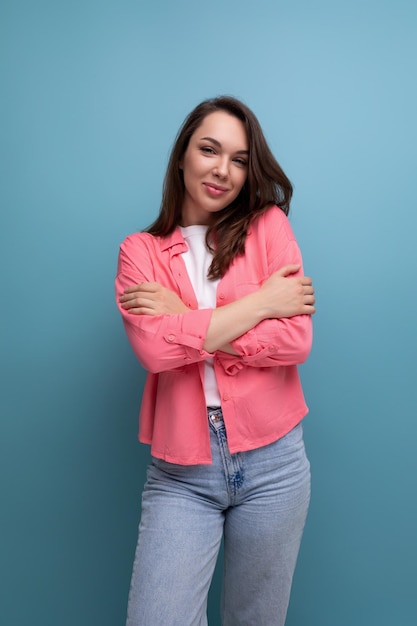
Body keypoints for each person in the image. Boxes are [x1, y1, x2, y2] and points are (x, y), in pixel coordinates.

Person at [115, 95, 316, 626]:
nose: (222, 170)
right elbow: (155, 352)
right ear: (183, 154)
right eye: (209, 150)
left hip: (275, 463)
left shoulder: (269, 227)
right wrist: (260, 306)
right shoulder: (139, 251)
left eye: (240, 159)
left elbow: (296, 340)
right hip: (182, 470)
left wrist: (182, 316)